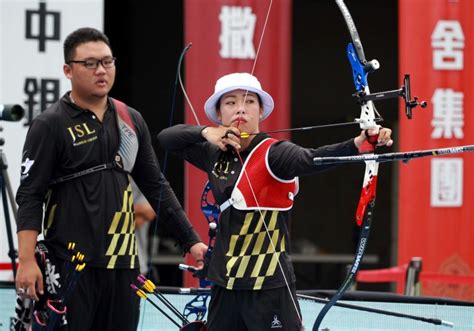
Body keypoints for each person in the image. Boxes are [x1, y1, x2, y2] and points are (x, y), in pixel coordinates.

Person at [158, 72, 393, 331]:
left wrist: (358, 144)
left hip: (269, 286)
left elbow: (312, 159)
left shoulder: (275, 153)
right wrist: (206, 132)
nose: (240, 109)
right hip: (226, 284)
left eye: (249, 102)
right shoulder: (213, 152)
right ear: (219, 114)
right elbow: (166, 138)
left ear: (260, 112)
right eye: (230, 102)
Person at [14, 27, 207, 331]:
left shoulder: (130, 119)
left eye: (107, 61)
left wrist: (192, 241)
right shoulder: (50, 124)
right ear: (68, 70)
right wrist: (26, 260)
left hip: (124, 267)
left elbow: (156, 186)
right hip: (68, 264)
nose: (101, 70)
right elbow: (29, 195)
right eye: (90, 63)